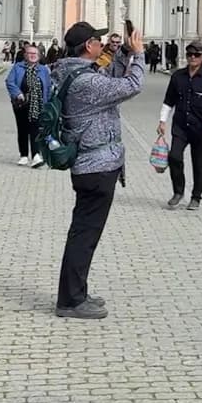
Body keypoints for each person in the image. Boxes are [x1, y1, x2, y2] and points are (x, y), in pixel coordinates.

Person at [53, 20, 145, 321]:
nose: (102, 42)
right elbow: (132, 85)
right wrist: (139, 54)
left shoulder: (73, 72)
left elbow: (108, 71)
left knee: (83, 233)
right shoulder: (86, 82)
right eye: (97, 39)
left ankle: (76, 292)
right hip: (96, 167)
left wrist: (121, 53)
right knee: (84, 236)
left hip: (90, 165)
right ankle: (70, 301)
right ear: (88, 46)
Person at [157, 40, 202, 210]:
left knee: (199, 163)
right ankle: (178, 191)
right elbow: (168, 101)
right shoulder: (177, 77)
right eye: (189, 55)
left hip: (201, 128)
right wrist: (162, 120)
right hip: (180, 126)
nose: (192, 58)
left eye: (196, 55)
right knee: (174, 156)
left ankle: (196, 196)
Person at [5, 43, 52, 166]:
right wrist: (18, 93)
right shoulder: (18, 67)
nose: (32, 56)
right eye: (30, 53)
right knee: (23, 129)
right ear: (25, 55)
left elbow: (47, 86)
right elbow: (10, 82)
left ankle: (36, 155)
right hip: (21, 104)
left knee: (35, 129)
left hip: (38, 103)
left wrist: (48, 102)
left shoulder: (43, 69)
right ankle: (24, 155)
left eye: (35, 54)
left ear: (39, 56)